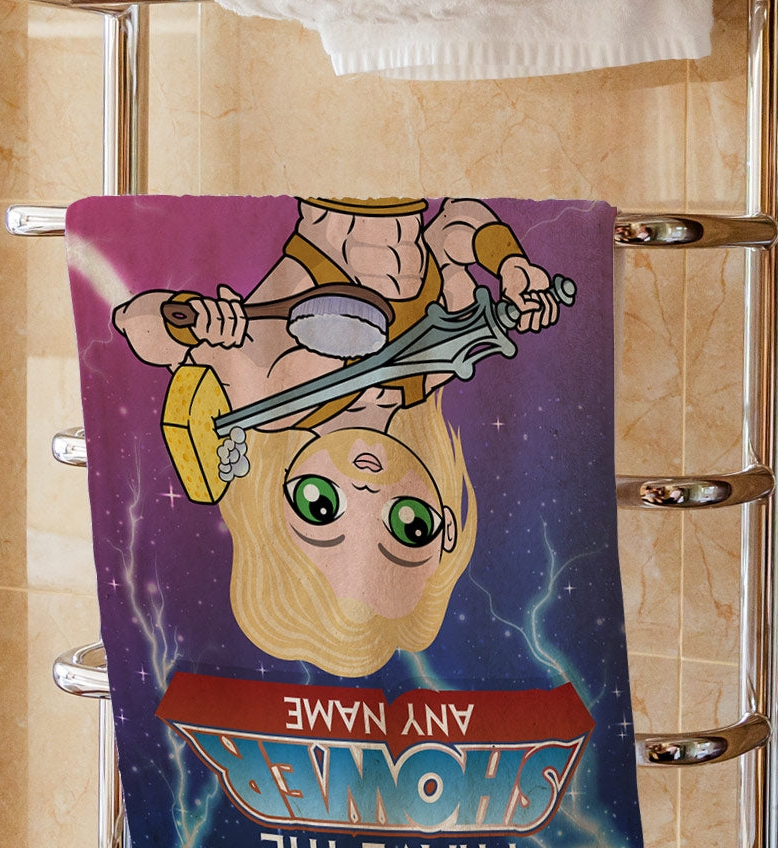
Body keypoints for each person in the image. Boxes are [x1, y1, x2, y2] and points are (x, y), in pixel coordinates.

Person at [114, 197, 560, 678]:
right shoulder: (431, 367)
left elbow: (134, 322)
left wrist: (192, 319)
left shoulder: (270, 389)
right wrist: (509, 263)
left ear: (276, 511)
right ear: (445, 526)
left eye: (321, 506)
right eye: (409, 527)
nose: (367, 491)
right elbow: (455, 227)